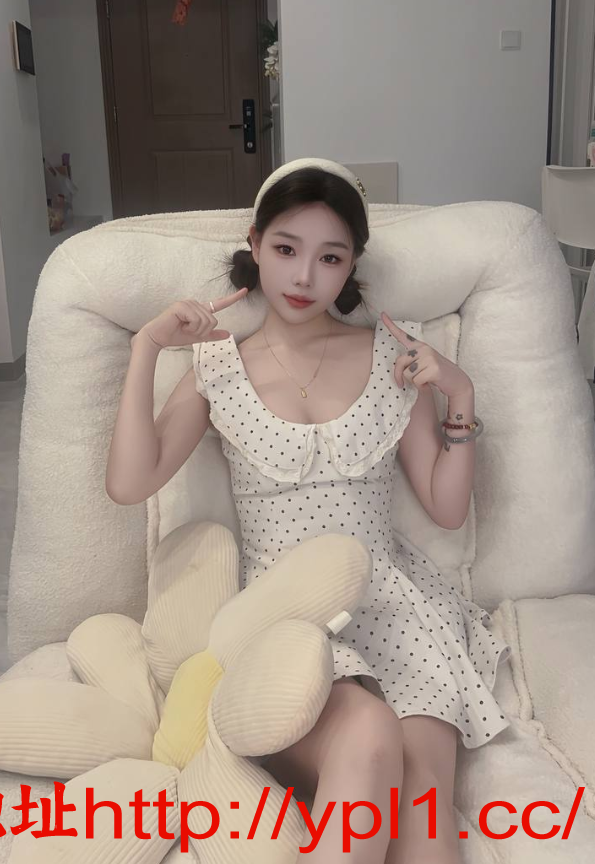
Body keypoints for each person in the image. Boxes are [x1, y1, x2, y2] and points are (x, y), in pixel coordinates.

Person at [106, 158, 512, 863]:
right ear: (255, 245)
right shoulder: (217, 367)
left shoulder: (391, 357)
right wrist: (147, 347)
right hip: (286, 615)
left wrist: (460, 395)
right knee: (367, 736)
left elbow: (447, 509)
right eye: (286, 249)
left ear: (351, 265)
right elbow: (129, 481)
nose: (303, 277)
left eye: (329, 258)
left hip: (394, 606)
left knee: (425, 806)